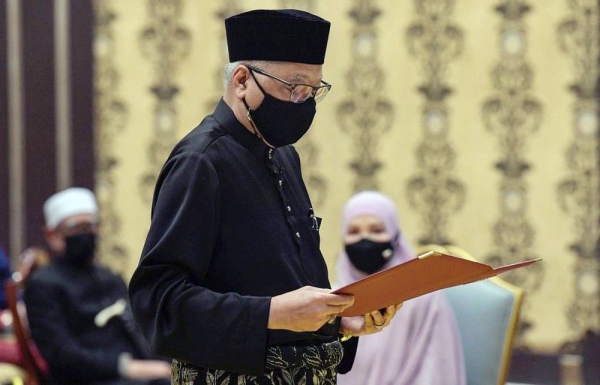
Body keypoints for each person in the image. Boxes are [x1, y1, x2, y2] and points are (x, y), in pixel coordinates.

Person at [128, 9, 400, 385]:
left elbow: (277, 282)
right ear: (242, 80)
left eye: (313, 90)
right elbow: (158, 302)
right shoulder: (200, 163)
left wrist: (338, 321)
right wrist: (271, 313)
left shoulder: (283, 153)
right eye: (293, 87)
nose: (303, 102)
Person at [24, 187, 171, 385]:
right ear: (53, 235)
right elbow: (62, 355)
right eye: (76, 227)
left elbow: (140, 327)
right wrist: (130, 368)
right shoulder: (43, 285)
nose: (86, 234)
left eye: (91, 225)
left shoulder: (107, 276)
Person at [336, 191, 467, 385]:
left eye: (377, 230)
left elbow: (436, 372)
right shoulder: (332, 300)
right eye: (354, 232)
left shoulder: (423, 297)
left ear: (396, 237)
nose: (365, 239)